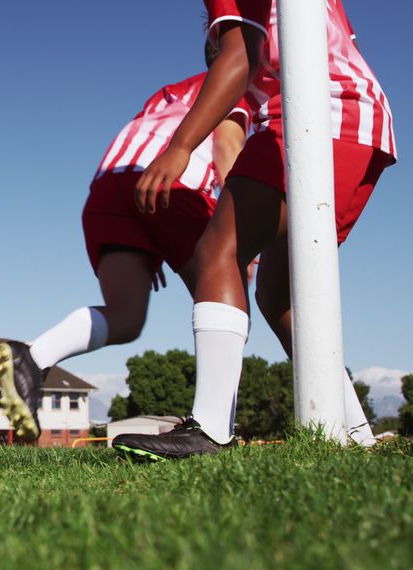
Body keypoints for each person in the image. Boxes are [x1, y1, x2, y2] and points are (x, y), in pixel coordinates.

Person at [115, 0, 395, 460]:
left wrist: (180, 146)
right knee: (279, 293)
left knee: (218, 250)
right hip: (360, 118)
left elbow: (241, 53)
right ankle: (356, 432)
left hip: (319, 112)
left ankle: (209, 427)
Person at [0, 62, 250, 442]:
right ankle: (214, 428)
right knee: (229, 289)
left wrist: (154, 237)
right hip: (175, 186)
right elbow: (227, 149)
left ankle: (33, 357)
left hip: (111, 188)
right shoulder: (233, 85)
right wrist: (242, 231)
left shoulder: (166, 92)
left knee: (126, 317)